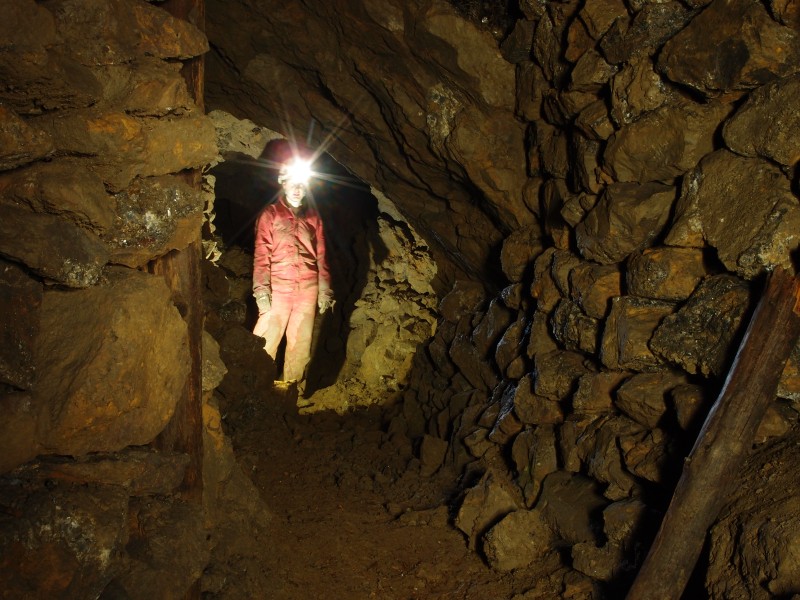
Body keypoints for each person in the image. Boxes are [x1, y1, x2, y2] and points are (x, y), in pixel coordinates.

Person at [252, 148, 334, 396]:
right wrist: (261, 291)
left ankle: (290, 394)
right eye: (293, 183)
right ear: (283, 183)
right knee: (266, 340)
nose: (298, 189)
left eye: (302, 184)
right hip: (279, 289)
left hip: (306, 291)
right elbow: (261, 255)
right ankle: (255, 390)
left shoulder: (314, 218)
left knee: (300, 344)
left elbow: (321, 257)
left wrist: (324, 291)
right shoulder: (271, 215)